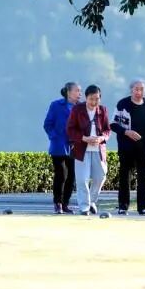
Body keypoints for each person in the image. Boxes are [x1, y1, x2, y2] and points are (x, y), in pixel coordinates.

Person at [112, 78, 145, 215]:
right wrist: (126, 132)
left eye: (141, 89)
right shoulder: (122, 104)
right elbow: (113, 124)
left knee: (144, 178)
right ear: (131, 90)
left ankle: (143, 207)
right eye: (136, 89)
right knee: (125, 177)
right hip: (126, 148)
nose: (139, 92)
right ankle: (123, 206)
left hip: (144, 148)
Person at [66, 84, 111, 215]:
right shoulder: (77, 109)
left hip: (98, 149)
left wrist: (101, 138)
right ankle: (84, 207)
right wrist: (84, 138)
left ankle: (91, 201)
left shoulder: (103, 110)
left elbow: (107, 130)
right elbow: (70, 129)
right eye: (91, 99)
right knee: (82, 179)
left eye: (97, 99)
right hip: (82, 149)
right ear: (86, 98)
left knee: (101, 176)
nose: (94, 102)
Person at [43, 82, 80, 213]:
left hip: (75, 146)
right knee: (61, 174)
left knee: (72, 176)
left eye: (80, 91)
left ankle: (65, 204)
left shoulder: (81, 107)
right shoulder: (56, 105)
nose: (79, 93)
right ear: (69, 92)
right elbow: (47, 124)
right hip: (59, 145)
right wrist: (54, 136)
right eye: (77, 90)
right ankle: (57, 202)